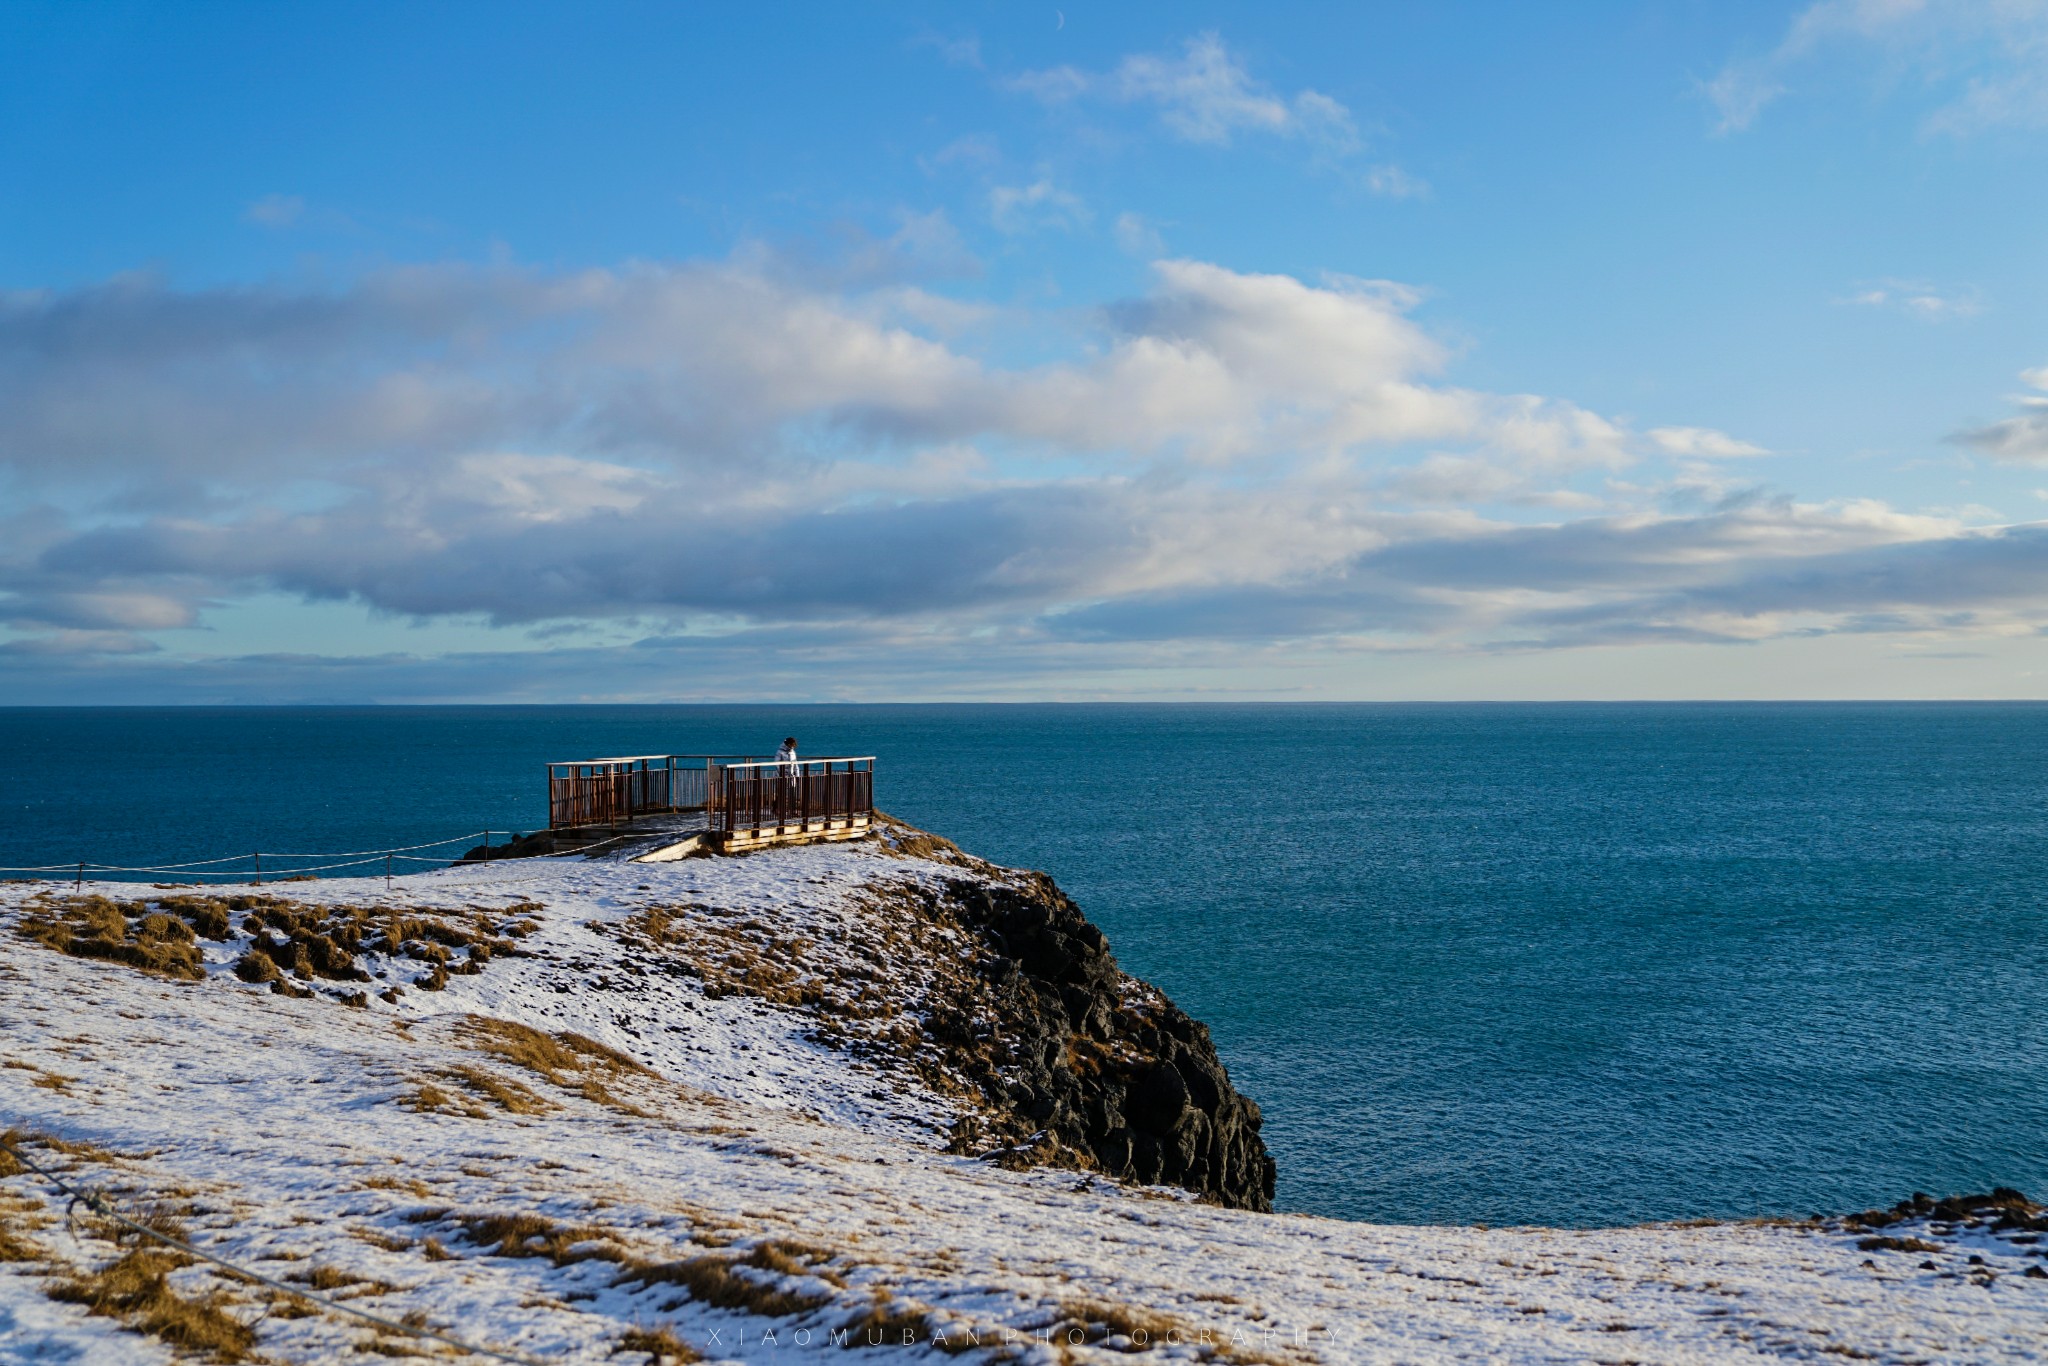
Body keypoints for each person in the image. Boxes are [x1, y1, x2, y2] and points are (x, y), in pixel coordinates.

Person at [775, 736, 799, 820]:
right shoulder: (780, 752)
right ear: (788, 744)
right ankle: (778, 809)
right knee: (781, 793)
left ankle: (792, 810)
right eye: (792, 745)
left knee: (793, 794)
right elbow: (777, 764)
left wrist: (797, 775)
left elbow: (795, 764)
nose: (793, 746)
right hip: (782, 776)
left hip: (791, 776)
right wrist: (782, 774)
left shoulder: (793, 752)